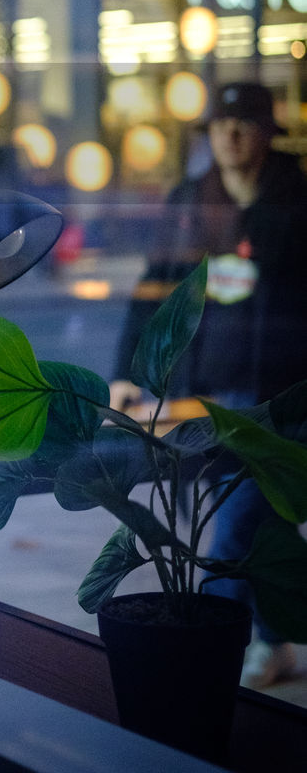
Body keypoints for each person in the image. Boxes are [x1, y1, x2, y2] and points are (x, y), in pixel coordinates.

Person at [111, 81, 307, 689]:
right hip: (212, 395)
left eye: (243, 124)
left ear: (267, 133)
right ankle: (273, 642)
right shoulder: (194, 201)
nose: (229, 136)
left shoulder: (299, 202)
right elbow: (157, 289)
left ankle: (216, 651)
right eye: (219, 126)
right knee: (260, 518)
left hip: (286, 394)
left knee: (233, 527)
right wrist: (127, 372)